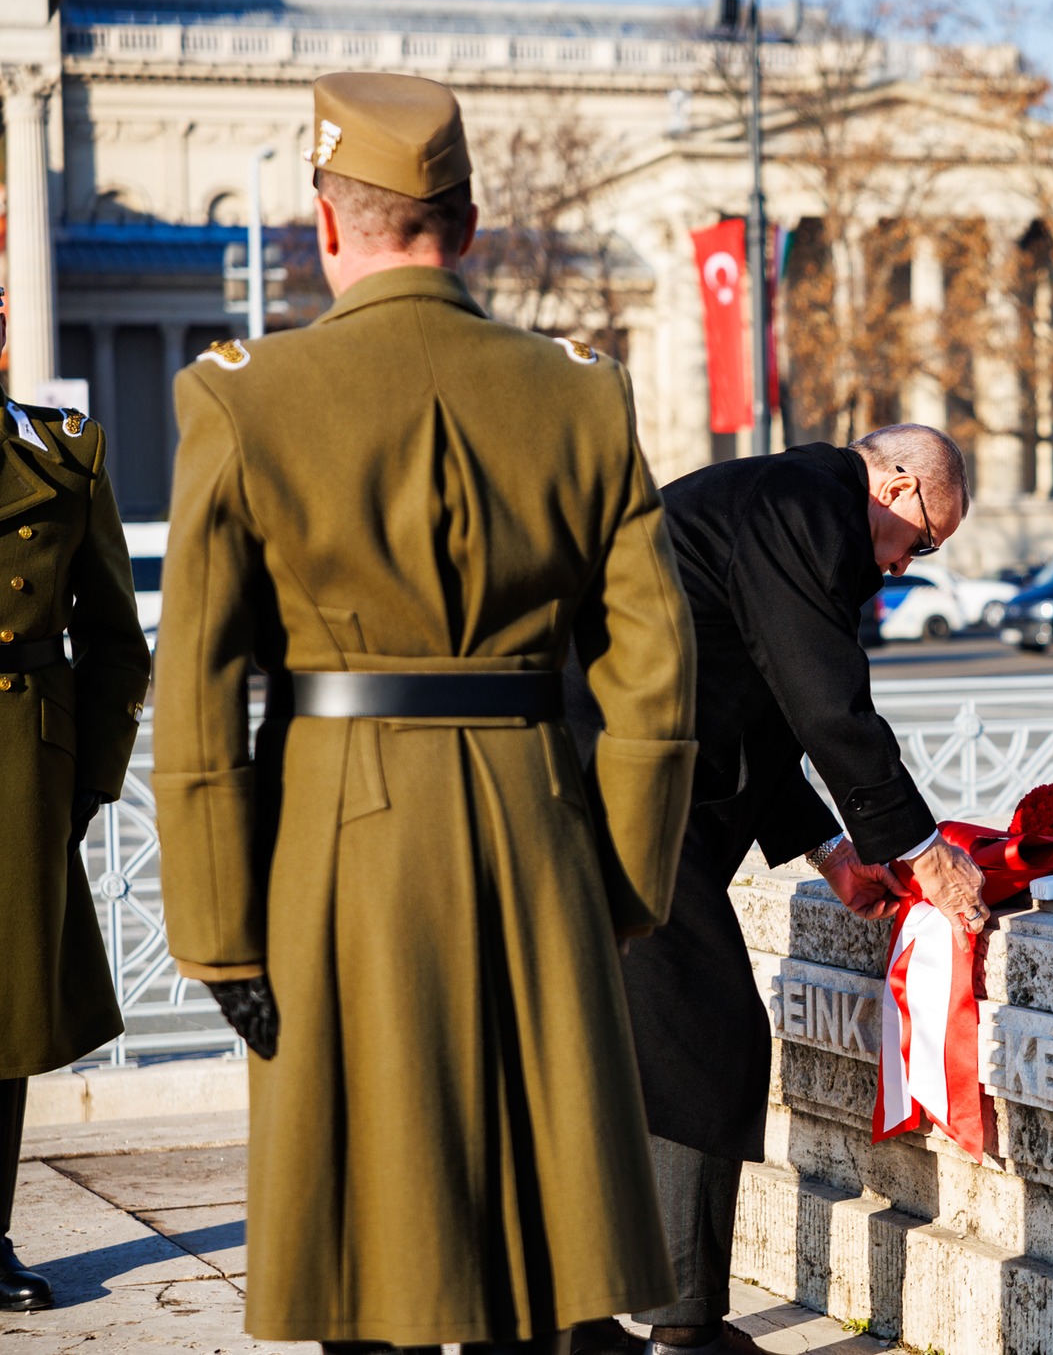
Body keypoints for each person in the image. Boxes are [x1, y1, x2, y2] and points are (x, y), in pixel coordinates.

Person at [153, 72, 696, 1352]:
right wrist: (619, 887)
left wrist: (222, 934)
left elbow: (198, 689)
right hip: (537, 835)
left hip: (334, 850)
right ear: (467, 221)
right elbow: (653, 676)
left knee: (364, 1247)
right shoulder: (582, 393)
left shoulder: (244, 395)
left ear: (324, 223)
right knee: (531, 1245)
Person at [565, 423, 988, 1355]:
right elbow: (822, 698)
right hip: (618, 798)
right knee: (705, 1034)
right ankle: (685, 1327)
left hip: (610, 788)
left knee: (611, 1055)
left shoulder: (783, 499)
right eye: (921, 542)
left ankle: (577, 1318)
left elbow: (753, 700)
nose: (901, 567)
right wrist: (921, 849)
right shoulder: (806, 506)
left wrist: (833, 849)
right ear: (898, 483)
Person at [0, 297, 153, 1312]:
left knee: (5, 1012)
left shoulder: (61, 453)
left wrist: (88, 779)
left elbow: (112, 637)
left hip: (18, 762)